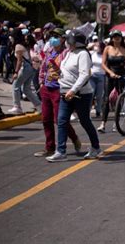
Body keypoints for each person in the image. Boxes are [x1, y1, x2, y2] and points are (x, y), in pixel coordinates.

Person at [46, 29, 102, 162]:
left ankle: (96, 147)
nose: (65, 41)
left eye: (68, 39)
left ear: (75, 42)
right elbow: (69, 72)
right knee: (62, 121)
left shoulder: (83, 54)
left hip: (81, 94)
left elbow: (84, 75)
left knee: (84, 121)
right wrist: (58, 74)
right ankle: (61, 152)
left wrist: (73, 90)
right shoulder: (70, 53)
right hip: (65, 92)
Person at [35, 28, 82, 157]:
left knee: (59, 119)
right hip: (46, 88)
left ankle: (73, 138)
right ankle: (50, 147)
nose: (53, 38)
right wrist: (41, 82)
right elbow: (43, 68)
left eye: (57, 36)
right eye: (52, 36)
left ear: (63, 39)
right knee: (46, 119)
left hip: (59, 89)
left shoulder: (67, 53)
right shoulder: (49, 51)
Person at [97, 30, 125, 132]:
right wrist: (110, 73)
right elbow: (102, 64)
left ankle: (117, 123)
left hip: (121, 75)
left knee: (120, 98)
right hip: (109, 75)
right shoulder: (107, 48)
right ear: (111, 38)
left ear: (121, 38)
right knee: (107, 99)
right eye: (114, 36)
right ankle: (103, 123)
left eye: (118, 36)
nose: (116, 38)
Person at [8, 28, 41, 114]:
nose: (10, 38)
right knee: (26, 89)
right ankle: (39, 107)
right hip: (30, 68)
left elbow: (19, 61)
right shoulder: (24, 44)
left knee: (15, 86)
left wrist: (15, 72)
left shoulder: (18, 46)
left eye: (11, 36)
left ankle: (17, 107)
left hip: (25, 68)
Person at [89, 38, 105, 117]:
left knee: (99, 95)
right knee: (91, 94)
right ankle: (87, 111)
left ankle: (98, 110)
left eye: (98, 46)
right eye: (95, 46)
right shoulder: (91, 54)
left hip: (101, 76)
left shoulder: (104, 55)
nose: (96, 47)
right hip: (92, 76)